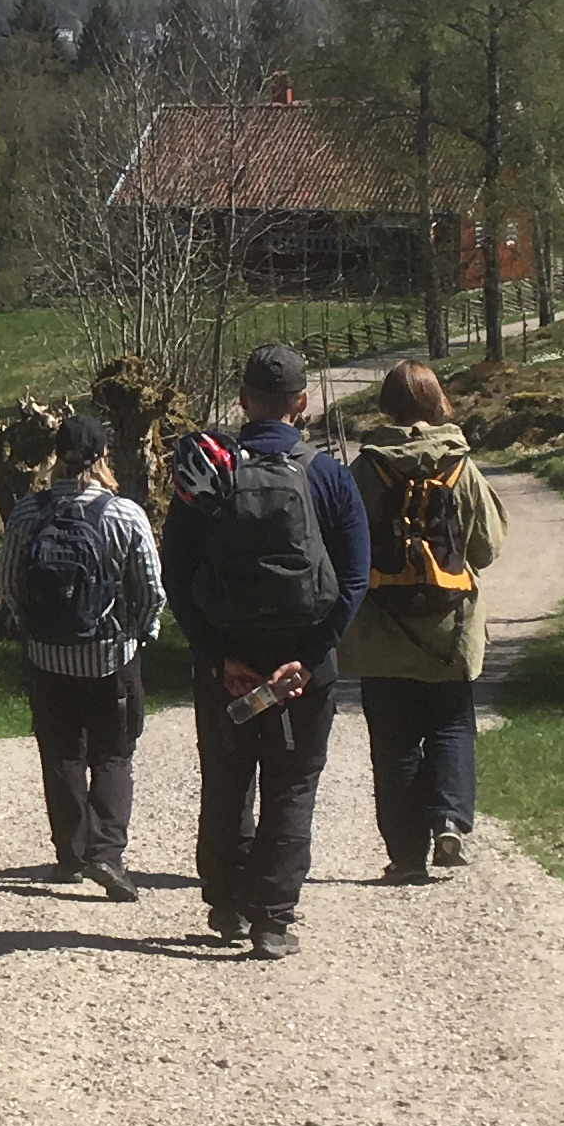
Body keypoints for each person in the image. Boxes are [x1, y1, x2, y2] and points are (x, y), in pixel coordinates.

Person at [160, 339, 367, 960]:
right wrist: (312, 654)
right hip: (305, 665)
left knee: (226, 781)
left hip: (228, 662)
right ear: (301, 404)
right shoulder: (328, 475)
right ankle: (271, 920)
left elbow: (177, 572)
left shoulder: (207, 475)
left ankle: (225, 901)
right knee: (293, 784)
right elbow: (355, 576)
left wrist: (215, 655)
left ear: (245, 400)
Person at [338, 360, 509, 885]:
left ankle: (406, 854)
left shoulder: (365, 469)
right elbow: (489, 546)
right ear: (437, 402)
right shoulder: (461, 467)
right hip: (449, 630)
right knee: (451, 725)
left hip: (380, 629)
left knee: (392, 742)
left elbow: (343, 546)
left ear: (386, 406)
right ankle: (449, 821)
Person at [1, 412, 163, 899]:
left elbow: (10, 586)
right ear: (104, 456)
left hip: (48, 656)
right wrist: (140, 634)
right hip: (111, 656)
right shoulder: (124, 514)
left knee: (61, 754)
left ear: (56, 455)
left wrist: (35, 631)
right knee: (114, 752)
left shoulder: (28, 513)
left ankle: (71, 854)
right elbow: (152, 590)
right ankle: (107, 854)